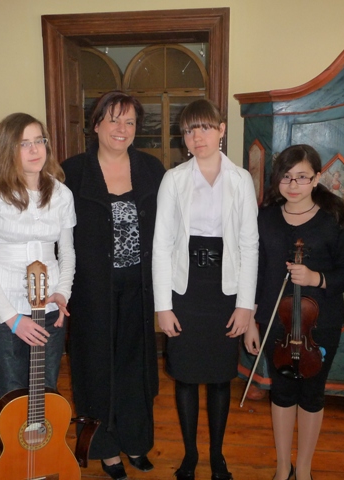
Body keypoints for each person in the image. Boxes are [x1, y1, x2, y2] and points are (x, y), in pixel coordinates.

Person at [153, 98, 259, 480]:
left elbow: (250, 246)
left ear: (221, 130)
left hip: (224, 289)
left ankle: (216, 456)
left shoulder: (241, 180)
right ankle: (190, 455)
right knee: (185, 375)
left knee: (219, 376)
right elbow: (162, 245)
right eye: (189, 130)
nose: (197, 137)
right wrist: (163, 305)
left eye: (204, 128)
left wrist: (245, 306)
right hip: (185, 288)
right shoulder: (174, 179)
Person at [64, 91, 165, 480]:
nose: (121, 129)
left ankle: (136, 441)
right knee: (95, 368)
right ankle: (104, 449)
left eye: (130, 122)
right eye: (113, 120)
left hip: (139, 286)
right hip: (91, 291)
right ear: (96, 124)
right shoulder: (72, 172)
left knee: (135, 367)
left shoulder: (152, 169)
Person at [245, 144, 344, 480]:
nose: (293, 184)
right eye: (286, 177)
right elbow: (255, 272)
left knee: (311, 395)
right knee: (281, 393)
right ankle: (283, 467)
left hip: (319, 325)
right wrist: (251, 321)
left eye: (302, 177)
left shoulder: (332, 220)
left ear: (316, 178)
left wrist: (316, 278)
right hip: (274, 322)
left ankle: (305, 470)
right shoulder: (265, 218)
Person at [0, 112, 76, 399]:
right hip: (5, 312)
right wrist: (13, 319)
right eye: (24, 143)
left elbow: (67, 251)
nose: (34, 149)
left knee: (45, 394)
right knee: (12, 398)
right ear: (8, 149)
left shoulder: (62, 194)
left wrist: (63, 292)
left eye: (39, 141)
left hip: (49, 310)